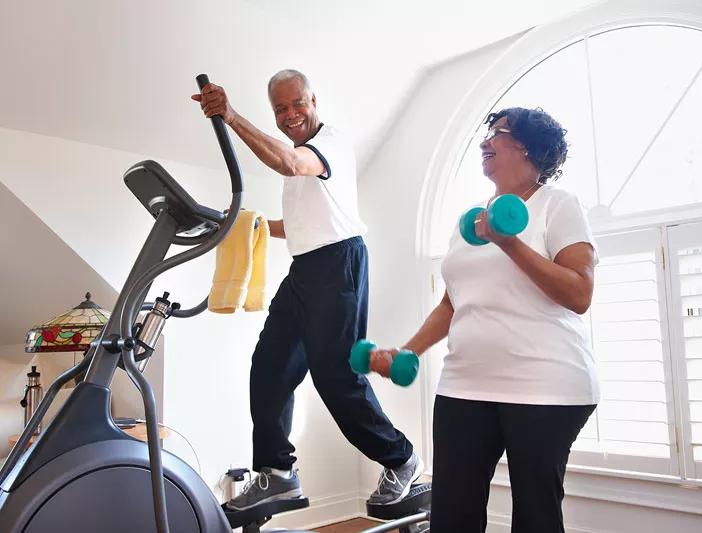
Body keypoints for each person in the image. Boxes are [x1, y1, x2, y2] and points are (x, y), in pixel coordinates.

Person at [192, 70, 422, 510]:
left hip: (339, 265)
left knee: (336, 377)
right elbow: (298, 228)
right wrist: (244, 224)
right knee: (270, 365)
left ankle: (403, 459)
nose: (290, 114)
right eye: (280, 109)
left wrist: (230, 115)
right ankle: (278, 472)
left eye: (296, 103)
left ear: (313, 100)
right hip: (306, 269)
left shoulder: (327, 144)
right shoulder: (297, 160)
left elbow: (291, 162)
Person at [369, 107, 599, 532]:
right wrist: (407, 351)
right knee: (452, 514)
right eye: (487, 134)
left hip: (546, 386)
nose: (484, 142)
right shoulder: (471, 222)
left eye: (498, 133)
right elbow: (452, 304)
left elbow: (579, 293)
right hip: (465, 383)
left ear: (528, 147)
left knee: (535, 515)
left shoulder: (558, 206)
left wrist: (509, 244)